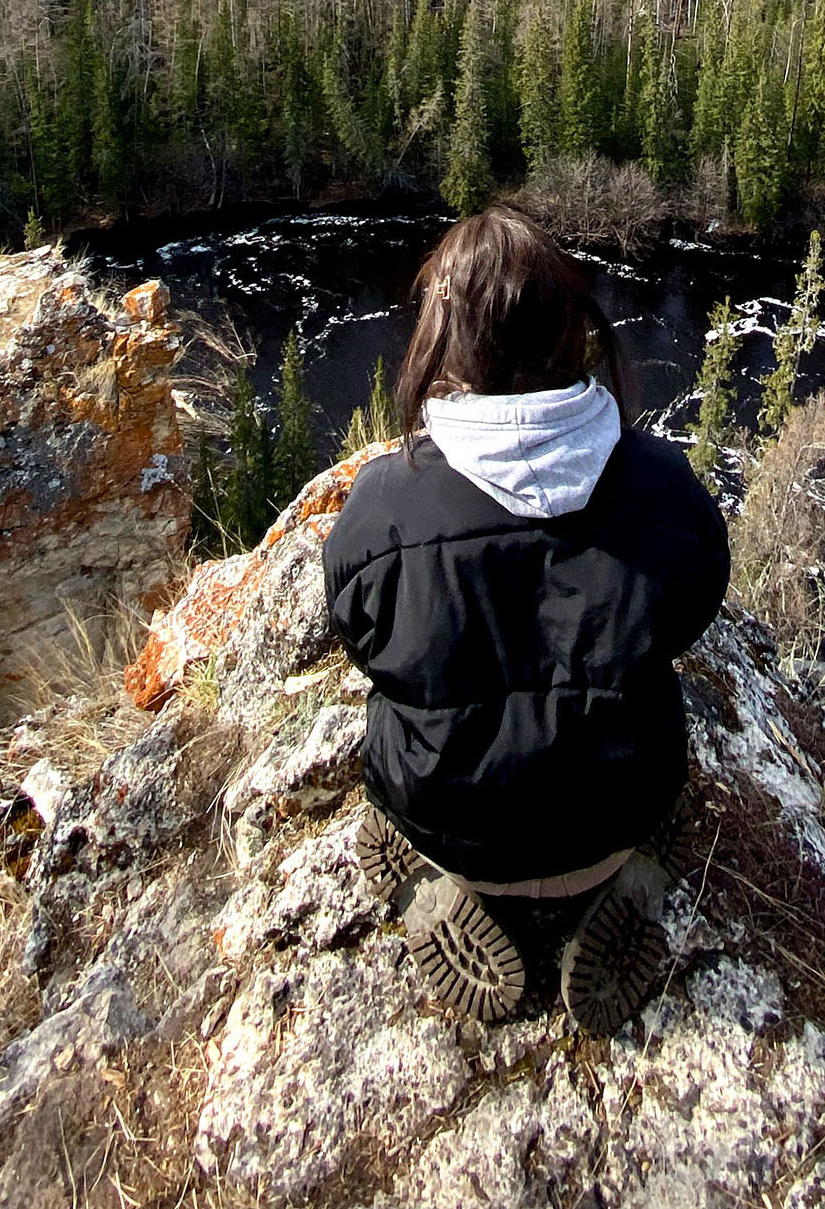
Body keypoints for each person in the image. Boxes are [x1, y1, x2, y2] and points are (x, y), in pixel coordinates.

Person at [323, 206, 730, 1034]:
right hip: (616, 810)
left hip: (454, 820)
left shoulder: (383, 504)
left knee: (387, 729)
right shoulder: (658, 484)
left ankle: (440, 882)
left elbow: (359, 633)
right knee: (655, 738)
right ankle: (635, 876)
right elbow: (699, 598)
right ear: (566, 332)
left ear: (445, 343)